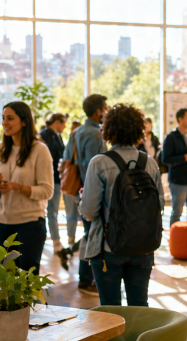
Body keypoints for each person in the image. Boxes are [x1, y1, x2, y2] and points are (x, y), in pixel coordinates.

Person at [78, 104, 164, 306]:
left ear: (108, 129)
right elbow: (158, 204)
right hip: (143, 245)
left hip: (108, 248)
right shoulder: (149, 163)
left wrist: (84, 200)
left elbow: (89, 212)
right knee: (139, 306)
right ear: (139, 129)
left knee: (110, 311)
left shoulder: (99, 162)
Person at [0, 102, 54, 275]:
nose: (5, 123)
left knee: (26, 283)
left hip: (30, 226)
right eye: (3, 118)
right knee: (5, 280)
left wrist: (18, 187)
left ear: (24, 122)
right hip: (1, 223)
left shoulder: (39, 150)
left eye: (10, 118)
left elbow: (47, 191)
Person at [61, 94, 108, 295]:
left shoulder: (76, 132)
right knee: (93, 235)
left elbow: (66, 158)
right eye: (105, 108)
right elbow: (95, 168)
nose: (106, 111)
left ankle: (85, 277)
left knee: (88, 234)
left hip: (77, 190)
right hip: (92, 192)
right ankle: (88, 278)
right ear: (98, 111)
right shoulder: (96, 134)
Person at [162, 108, 187, 227]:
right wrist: (185, 157)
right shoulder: (171, 137)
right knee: (177, 211)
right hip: (179, 181)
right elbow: (166, 159)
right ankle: (174, 241)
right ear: (180, 119)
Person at [39, 113, 66, 252]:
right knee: (51, 211)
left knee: (52, 211)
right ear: (56, 122)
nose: (65, 126)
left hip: (56, 178)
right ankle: (56, 241)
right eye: (63, 123)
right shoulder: (45, 135)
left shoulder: (57, 136)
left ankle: (55, 240)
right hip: (50, 178)